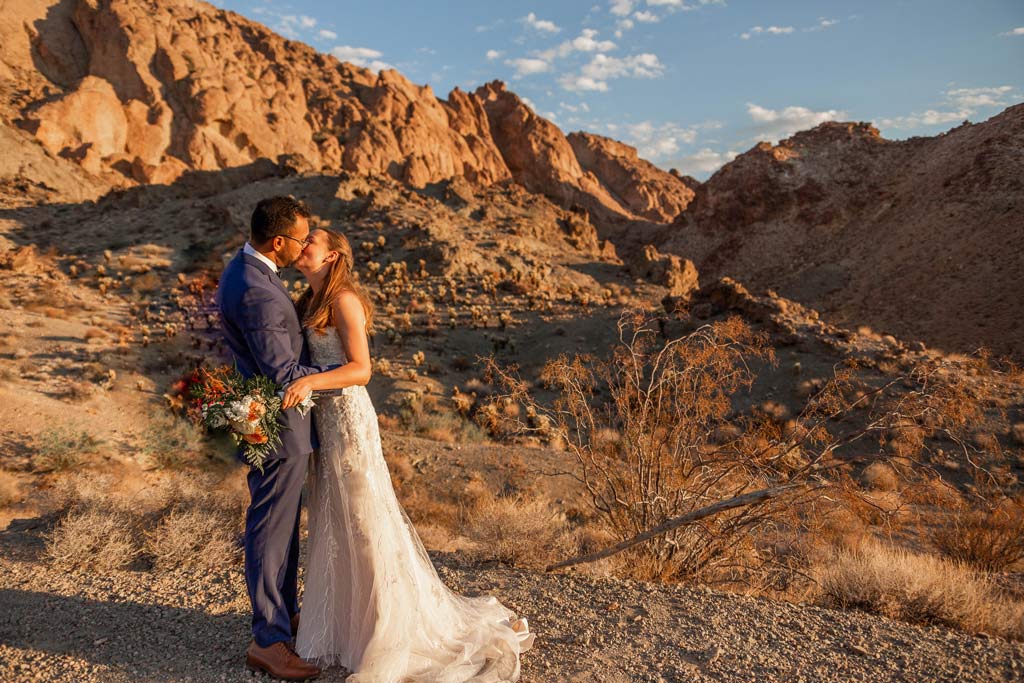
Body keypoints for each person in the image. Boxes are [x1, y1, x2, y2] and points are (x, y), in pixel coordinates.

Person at [281, 227, 535, 682]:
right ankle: (342, 628)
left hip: (350, 421)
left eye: (313, 239)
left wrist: (308, 383)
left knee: (364, 521)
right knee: (335, 519)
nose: (304, 244)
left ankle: (386, 630)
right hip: (325, 423)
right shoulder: (308, 300)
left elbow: (361, 369)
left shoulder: (345, 302)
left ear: (333, 255)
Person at [215, 196, 329, 681]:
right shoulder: (257, 290)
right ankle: (268, 640)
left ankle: (285, 618)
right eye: (300, 239)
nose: (304, 246)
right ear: (278, 241)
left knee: (281, 527)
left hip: (268, 420)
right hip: (276, 425)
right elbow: (282, 371)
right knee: (271, 530)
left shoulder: (246, 270)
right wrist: (338, 373)